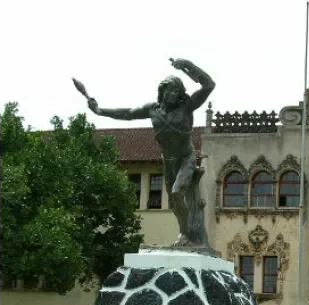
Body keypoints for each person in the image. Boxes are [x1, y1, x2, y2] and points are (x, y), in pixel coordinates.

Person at [86, 58, 215, 248]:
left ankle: (185, 234)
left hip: (186, 157)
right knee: (174, 202)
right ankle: (186, 234)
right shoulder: (152, 110)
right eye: (169, 90)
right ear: (162, 91)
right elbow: (127, 113)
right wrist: (99, 111)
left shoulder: (186, 107)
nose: (172, 94)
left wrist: (187, 65)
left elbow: (209, 84)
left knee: (177, 192)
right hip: (168, 161)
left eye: (177, 92)